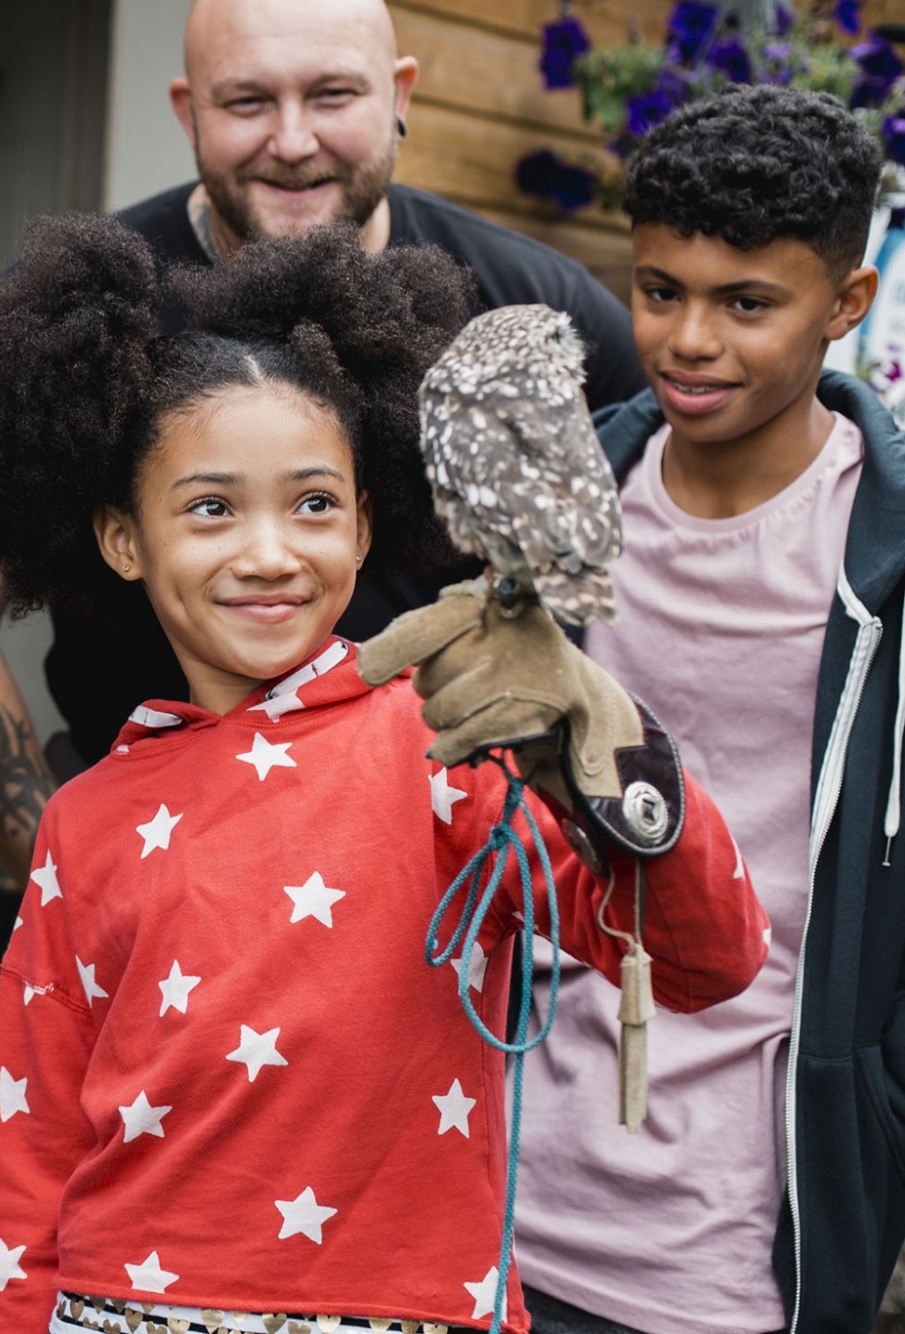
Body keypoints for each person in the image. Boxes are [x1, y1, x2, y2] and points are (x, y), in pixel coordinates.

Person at [0, 214, 768, 1334]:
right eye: (210, 508)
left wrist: (612, 764)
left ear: (367, 524)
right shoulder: (84, 816)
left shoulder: (451, 750)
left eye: (314, 503)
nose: (269, 551)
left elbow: (706, 959)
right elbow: (28, 1142)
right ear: (122, 538)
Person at [0, 0, 647, 883]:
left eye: (332, 95)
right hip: (154, 864)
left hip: (448, 885)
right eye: (247, 101)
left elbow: (679, 512)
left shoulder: (528, 309)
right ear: (188, 110)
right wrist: (67, 870)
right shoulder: (67, 319)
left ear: (400, 93)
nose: (291, 140)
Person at [512, 86, 902, 1334]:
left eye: (744, 303)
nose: (687, 340)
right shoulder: (562, 500)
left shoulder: (884, 552)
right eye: (657, 289)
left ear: (845, 302)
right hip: (496, 1176)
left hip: (741, 1225)